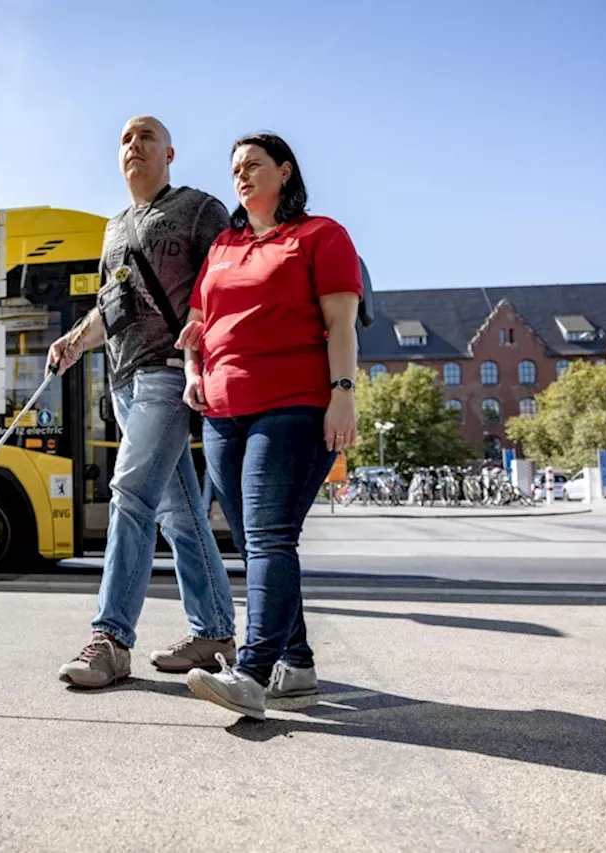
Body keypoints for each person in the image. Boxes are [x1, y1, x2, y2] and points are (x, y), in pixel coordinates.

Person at [46, 115, 237, 688]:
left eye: (145, 136)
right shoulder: (113, 228)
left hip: (167, 373)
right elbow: (114, 305)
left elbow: (227, 278)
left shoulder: (199, 209)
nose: (134, 145)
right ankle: (214, 632)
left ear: (170, 152)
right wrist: (76, 340)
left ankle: (110, 641)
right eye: (126, 139)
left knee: (129, 495)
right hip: (123, 382)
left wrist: (208, 353)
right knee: (179, 513)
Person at [179, 132, 362, 720]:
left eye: (254, 164)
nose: (242, 174)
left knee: (268, 538)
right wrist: (191, 374)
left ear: (284, 172)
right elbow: (198, 323)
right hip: (222, 413)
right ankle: (299, 664)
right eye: (235, 167)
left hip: (292, 406)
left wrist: (343, 396)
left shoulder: (319, 236)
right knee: (261, 542)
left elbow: (341, 324)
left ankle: (254, 672)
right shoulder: (224, 246)